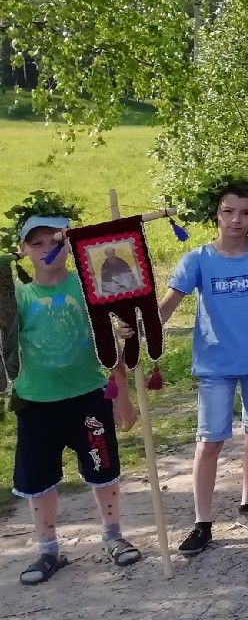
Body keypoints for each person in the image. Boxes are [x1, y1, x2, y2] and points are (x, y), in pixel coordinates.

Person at [7, 207, 141, 585]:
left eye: (57, 242)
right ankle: (48, 549)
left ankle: (114, 535)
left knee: (102, 468)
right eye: (38, 243)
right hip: (35, 402)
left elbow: (112, 342)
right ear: (24, 250)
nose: (48, 249)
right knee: (38, 478)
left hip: (88, 396)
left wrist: (122, 394)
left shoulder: (88, 288)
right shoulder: (18, 297)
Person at [156, 179, 248, 556]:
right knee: (209, 440)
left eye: (245, 213)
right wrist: (143, 325)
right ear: (216, 214)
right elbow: (166, 306)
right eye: (228, 211)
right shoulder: (197, 259)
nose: (236, 220)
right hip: (215, 364)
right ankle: (202, 522)